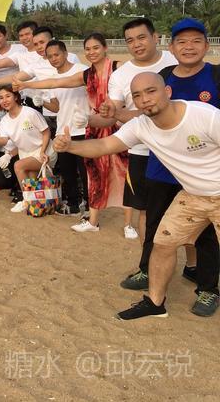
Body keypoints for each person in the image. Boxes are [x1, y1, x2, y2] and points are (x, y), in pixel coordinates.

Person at [53, 72, 220, 320]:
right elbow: (104, 145)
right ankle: (155, 303)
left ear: (168, 92)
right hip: (192, 196)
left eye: (151, 91)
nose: (145, 99)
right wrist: (70, 146)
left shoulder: (205, 116)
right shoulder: (141, 125)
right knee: (162, 245)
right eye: (138, 95)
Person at [141, 18, 220, 316]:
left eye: (196, 41)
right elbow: (144, 113)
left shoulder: (216, 75)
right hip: (163, 166)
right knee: (157, 226)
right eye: (182, 42)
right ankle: (147, 274)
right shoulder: (162, 77)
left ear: (207, 46)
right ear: (171, 48)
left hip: (203, 173)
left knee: (206, 236)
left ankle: (208, 289)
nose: (189, 47)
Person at [18, 33, 133, 233]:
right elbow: (54, 85)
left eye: (96, 48)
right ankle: (90, 218)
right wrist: (28, 86)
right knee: (90, 174)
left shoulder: (115, 68)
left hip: (112, 127)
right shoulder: (86, 74)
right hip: (87, 128)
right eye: (88, 49)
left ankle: (128, 224)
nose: (91, 52)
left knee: (121, 173)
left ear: (105, 48)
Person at [99, 18, 177, 290]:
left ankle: (194, 269)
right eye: (130, 40)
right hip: (142, 152)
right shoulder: (121, 75)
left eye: (141, 37)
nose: (136, 44)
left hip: (180, 150)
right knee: (146, 212)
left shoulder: (174, 62)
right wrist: (109, 113)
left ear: (155, 37)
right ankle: (147, 267)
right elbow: (113, 110)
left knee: (193, 213)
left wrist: (122, 114)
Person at [14, 40, 90, 217]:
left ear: (65, 53)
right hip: (63, 131)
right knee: (68, 171)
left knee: (85, 172)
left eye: (57, 54)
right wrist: (42, 101)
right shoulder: (53, 77)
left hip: (83, 129)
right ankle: (72, 205)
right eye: (50, 57)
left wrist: (26, 85)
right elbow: (56, 108)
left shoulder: (81, 70)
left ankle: (89, 207)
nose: (54, 59)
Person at [0, 85, 56, 213]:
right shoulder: (5, 120)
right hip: (26, 154)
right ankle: (36, 206)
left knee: (18, 166)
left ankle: (26, 200)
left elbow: (46, 132)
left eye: (8, 96)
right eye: (1, 98)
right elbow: (4, 140)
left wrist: (42, 152)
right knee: (31, 180)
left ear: (16, 97)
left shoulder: (29, 112)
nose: (4, 100)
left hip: (44, 151)